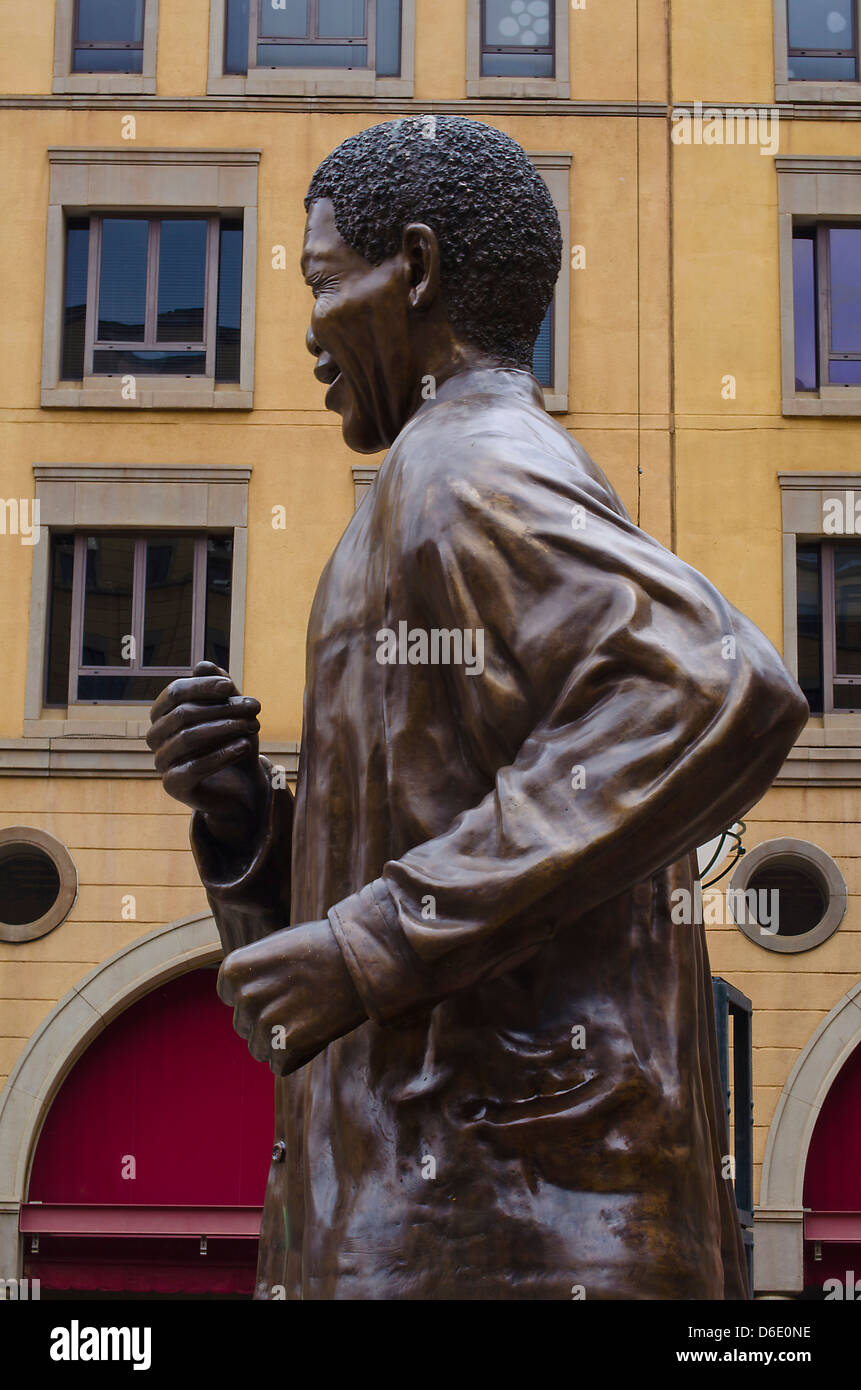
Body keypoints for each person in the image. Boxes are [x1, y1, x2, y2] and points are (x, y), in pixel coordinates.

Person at [147, 116, 808, 1300]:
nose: (307, 330)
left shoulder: (472, 464)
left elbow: (714, 683)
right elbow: (344, 967)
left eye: (325, 282)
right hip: (427, 1208)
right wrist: (248, 824)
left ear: (415, 267)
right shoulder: (418, 489)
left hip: (503, 1225)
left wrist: (371, 941)